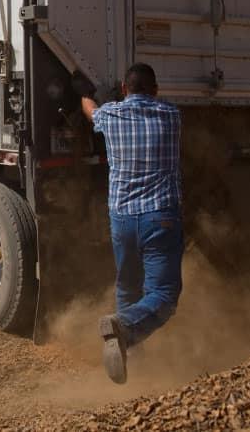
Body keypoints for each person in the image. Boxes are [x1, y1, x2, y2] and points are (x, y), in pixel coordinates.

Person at [77, 63, 183, 384]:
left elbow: (90, 111)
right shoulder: (171, 116)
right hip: (159, 216)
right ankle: (123, 329)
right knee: (164, 294)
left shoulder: (111, 116)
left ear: (124, 88)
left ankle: (130, 356)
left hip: (122, 218)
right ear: (156, 90)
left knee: (127, 286)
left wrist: (84, 92)